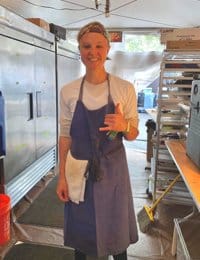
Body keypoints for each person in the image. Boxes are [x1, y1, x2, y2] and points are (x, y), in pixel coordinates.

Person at [56, 21, 139, 260]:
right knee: (81, 235)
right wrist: (62, 175)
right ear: (79, 49)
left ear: (108, 49)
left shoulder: (124, 89)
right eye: (86, 46)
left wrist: (124, 126)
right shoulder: (69, 91)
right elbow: (65, 135)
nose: (93, 52)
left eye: (99, 46)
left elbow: (133, 134)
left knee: (116, 233)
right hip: (78, 169)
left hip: (113, 171)